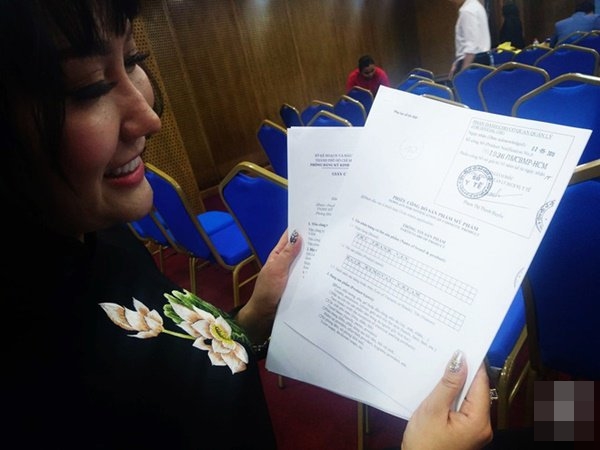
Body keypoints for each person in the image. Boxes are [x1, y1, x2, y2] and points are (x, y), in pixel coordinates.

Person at [1, 1, 493, 448]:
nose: (149, 117)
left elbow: (177, 350)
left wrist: (254, 317)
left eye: (132, 60)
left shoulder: (99, 230)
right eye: (89, 88)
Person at [448, 0, 492, 79]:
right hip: (482, 58)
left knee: (465, 85)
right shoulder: (477, 6)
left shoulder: (467, 11)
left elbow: (471, 46)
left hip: (472, 61)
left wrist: (463, 72)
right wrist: (456, 62)